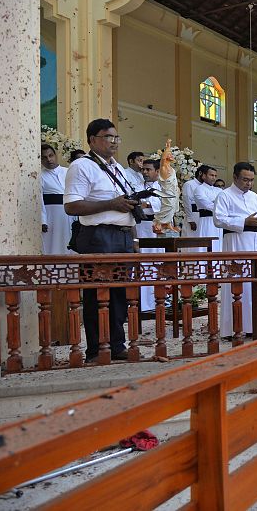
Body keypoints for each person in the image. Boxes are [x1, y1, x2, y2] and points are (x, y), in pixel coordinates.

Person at [64, 118, 138, 362]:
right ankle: (96, 349)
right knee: (97, 294)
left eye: (116, 137)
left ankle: (117, 345)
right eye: (108, 137)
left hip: (122, 236)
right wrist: (111, 204)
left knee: (118, 294)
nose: (114, 142)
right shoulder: (81, 166)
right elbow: (72, 205)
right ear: (93, 139)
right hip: (98, 236)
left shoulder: (117, 168)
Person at [213, 162, 257, 341]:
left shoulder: (253, 196)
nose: (249, 184)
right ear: (235, 177)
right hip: (236, 242)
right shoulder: (224, 195)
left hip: (255, 242)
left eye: (252, 180)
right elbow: (219, 219)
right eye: (245, 180)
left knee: (253, 285)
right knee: (237, 283)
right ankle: (233, 327)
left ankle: (253, 325)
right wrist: (244, 222)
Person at [138, 159, 163, 312]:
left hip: (155, 227)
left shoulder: (162, 187)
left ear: (157, 171)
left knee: (156, 263)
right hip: (140, 226)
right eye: (143, 170)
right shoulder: (137, 186)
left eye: (148, 169)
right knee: (142, 263)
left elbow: (166, 205)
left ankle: (158, 299)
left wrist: (148, 205)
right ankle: (142, 301)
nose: (145, 172)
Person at [40, 143, 75, 254]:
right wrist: (43, 220)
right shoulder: (40, 175)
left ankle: (71, 271)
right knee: (53, 245)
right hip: (52, 216)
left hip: (70, 214)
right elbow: (39, 200)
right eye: (44, 157)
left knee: (71, 242)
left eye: (51, 155)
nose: (49, 159)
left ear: (55, 155)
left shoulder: (68, 171)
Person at [192, 166, 223, 252]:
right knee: (205, 245)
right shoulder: (199, 189)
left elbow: (225, 205)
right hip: (206, 220)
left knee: (217, 245)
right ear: (204, 176)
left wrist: (215, 204)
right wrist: (217, 204)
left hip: (218, 221)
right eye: (211, 175)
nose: (214, 178)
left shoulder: (219, 191)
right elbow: (206, 204)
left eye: (215, 176)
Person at [181, 165, 208, 239]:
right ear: (200, 173)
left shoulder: (206, 186)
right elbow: (187, 202)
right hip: (193, 215)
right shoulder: (189, 184)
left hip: (203, 217)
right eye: (207, 175)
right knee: (191, 238)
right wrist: (190, 219)